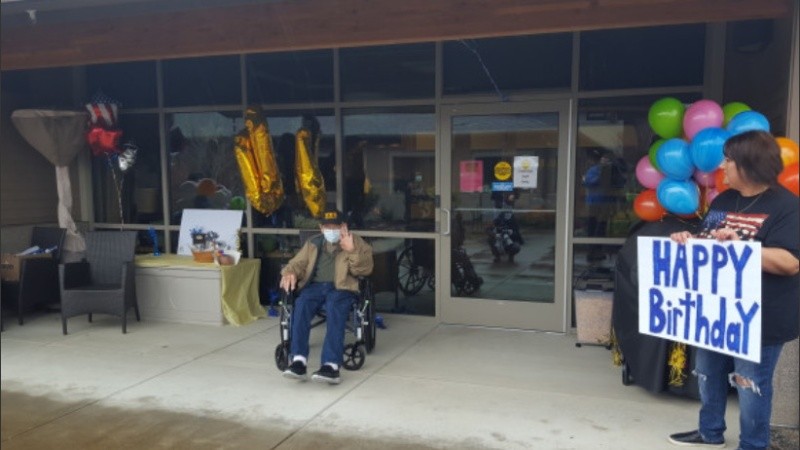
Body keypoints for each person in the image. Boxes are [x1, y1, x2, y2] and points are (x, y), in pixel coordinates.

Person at [667, 130, 799, 450]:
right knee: (708, 373)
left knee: (750, 384)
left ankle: (753, 445)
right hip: (715, 310)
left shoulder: (787, 206)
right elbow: (709, 245)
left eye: (728, 160)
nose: (722, 167)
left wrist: (744, 248)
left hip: (760, 317)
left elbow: (790, 262)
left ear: (749, 164)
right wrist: (689, 241)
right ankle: (709, 431)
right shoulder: (724, 200)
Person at [279, 209, 374, 384]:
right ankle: (298, 361)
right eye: (328, 226)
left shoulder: (357, 243)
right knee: (301, 305)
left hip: (342, 288)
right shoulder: (313, 243)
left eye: (336, 226)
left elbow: (365, 269)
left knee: (334, 306)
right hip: (314, 287)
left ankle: (331, 365)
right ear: (321, 228)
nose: (332, 230)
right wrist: (289, 272)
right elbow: (297, 263)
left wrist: (352, 251)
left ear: (343, 226)